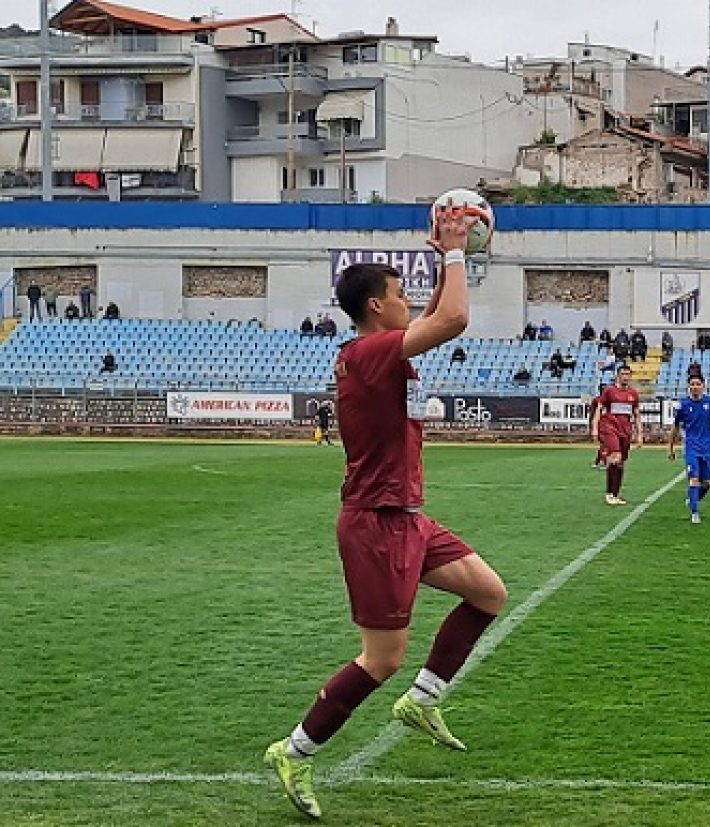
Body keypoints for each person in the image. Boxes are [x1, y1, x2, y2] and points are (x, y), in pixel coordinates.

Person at [263, 209, 508, 821]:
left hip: (407, 517)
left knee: (487, 593)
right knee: (382, 658)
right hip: (376, 522)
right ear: (376, 306)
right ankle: (295, 750)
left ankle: (422, 701)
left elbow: (434, 316)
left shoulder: (374, 350)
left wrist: (450, 260)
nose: (409, 302)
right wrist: (458, 252)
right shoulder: (372, 352)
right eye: (400, 293)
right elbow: (452, 319)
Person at [668, 375, 710, 524]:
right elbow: (675, 428)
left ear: (703, 386)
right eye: (692, 384)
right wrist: (670, 448)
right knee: (694, 479)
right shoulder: (683, 405)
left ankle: (692, 500)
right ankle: (695, 512)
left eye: (698, 384)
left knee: (708, 482)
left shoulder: (709, 403)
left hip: (707, 448)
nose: (695, 387)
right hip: (691, 448)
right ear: (688, 387)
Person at [592, 364, 642, 506]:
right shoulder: (609, 391)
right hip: (609, 427)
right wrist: (595, 428)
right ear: (618, 376)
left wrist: (639, 434)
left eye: (628, 374)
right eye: (623, 374)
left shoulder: (633, 394)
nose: (625, 377)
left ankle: (615, 494)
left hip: (625, 430)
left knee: (620, 463)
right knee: (615, 457)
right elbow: (599, 409)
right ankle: (609, 494)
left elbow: (637, 415)